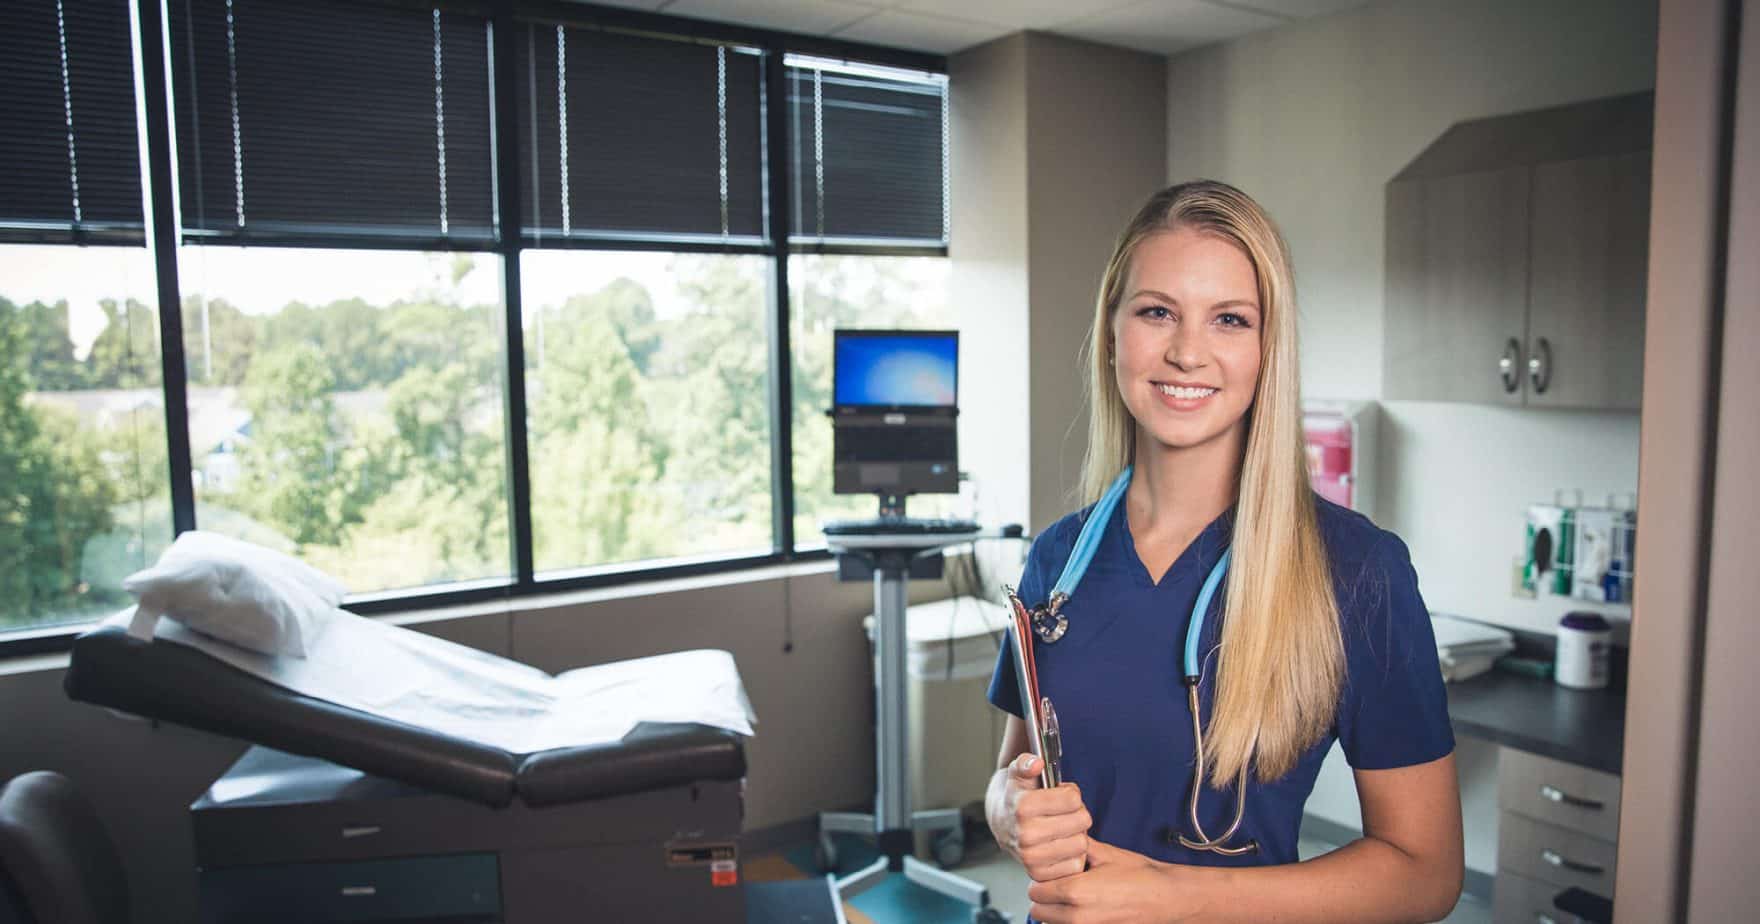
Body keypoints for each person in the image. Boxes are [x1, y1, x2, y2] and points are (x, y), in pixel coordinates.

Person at [984, 180, 1463, 923]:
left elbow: (1427, 873)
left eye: (1230, 319)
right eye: (1156, 312)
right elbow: (1012, 772)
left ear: (1268, 349)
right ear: (1112, 331)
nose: (1186, 351)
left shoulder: (1360, 573)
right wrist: (1009, 813)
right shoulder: (1058, 557)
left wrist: (1178, 898)